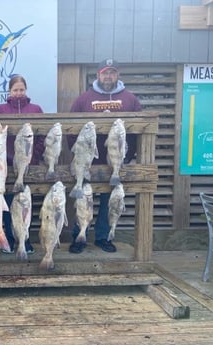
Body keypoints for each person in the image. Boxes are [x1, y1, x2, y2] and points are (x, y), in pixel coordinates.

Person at [68, 58, 142, 254]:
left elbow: (138, 130)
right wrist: (76, 155)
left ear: (117, 75)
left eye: (112, 72)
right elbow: (71, 127)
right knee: (82, 199)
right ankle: (79, 236)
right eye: (104, 72)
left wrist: (128, 155)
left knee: (108, 202)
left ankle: (103, 237)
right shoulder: (84, 99)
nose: (108, 76)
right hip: (88, 163)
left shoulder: (130, 99)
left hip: (114, 163)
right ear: (97, 75)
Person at [0, 75, 44, 254]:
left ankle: (26, 240)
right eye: (15, 90)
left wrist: (34, 156)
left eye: (21, 89)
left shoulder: (36, 109)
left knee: (25, 206)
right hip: (6, 167)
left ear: (26, 90)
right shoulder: (1, 110)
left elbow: (41, 137)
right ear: (9, 91)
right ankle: (10, 238)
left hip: (27, 165)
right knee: (8, 206)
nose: (18, 93)